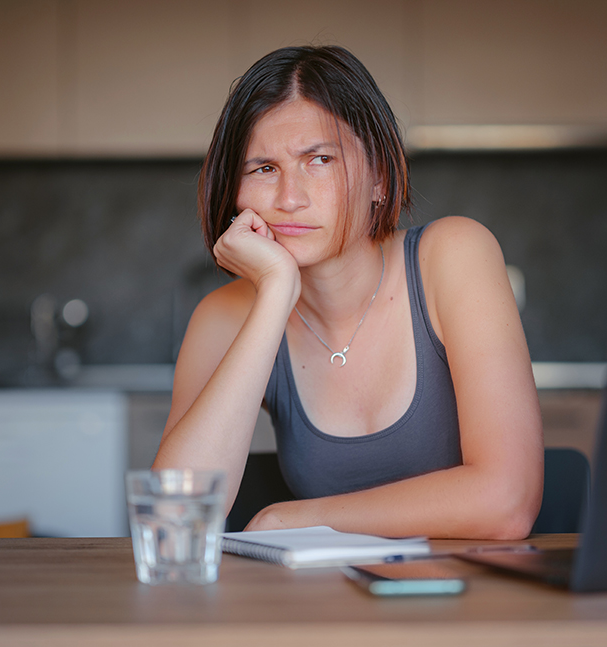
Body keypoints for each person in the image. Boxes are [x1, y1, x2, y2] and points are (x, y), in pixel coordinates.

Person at [153, 45, 543, 539]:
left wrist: (288, 518)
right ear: (235, 192)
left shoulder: (454, 254)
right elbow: (172, 520)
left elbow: (507, 502)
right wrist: (275, 294)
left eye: (319, 160)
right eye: (263, 168)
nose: (289, 199)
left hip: (475, 603)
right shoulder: (224, 316)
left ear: (380, 176)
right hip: (329, 609)